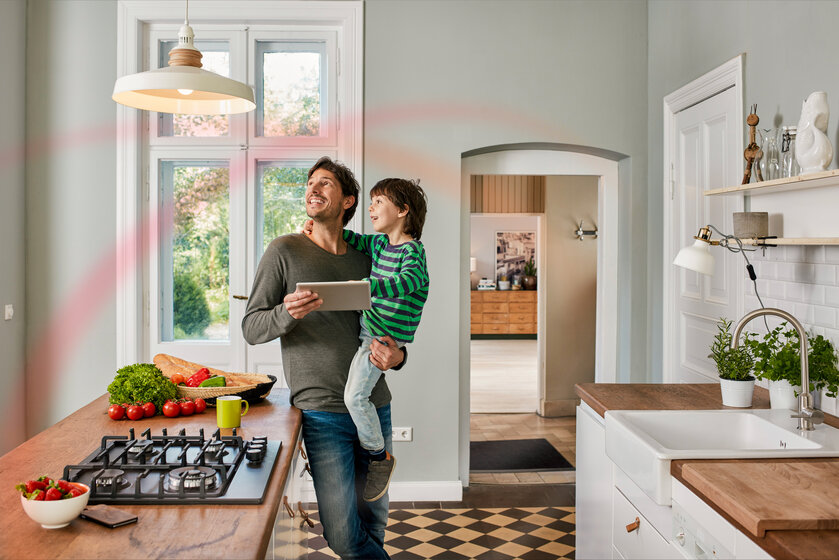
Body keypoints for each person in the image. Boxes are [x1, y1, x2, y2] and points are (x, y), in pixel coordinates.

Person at [242, 156, 405, 560]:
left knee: (373, 526)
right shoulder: (284, 250)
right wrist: (287, 312)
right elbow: (252, 327)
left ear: (348, 200)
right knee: (344, 536)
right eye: (310, 182)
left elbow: (392, 322)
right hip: (320, 415)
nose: (313, 188)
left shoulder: (369, 256)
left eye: (326, 183)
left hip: (374, 405)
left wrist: (398, 357)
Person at [304, 178, 429, 502]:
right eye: (370, 202)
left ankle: (378, 458)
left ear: (402, 210)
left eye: (378, 202)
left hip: (377, 341)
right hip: (370, 334)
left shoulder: (413, 252)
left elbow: (410, 281)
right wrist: (315, 228)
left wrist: (367, 288)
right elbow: (352, 238)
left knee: (355, 398)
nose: (370, 208)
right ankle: (375, 454)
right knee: (356, 397)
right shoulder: (379, 245)